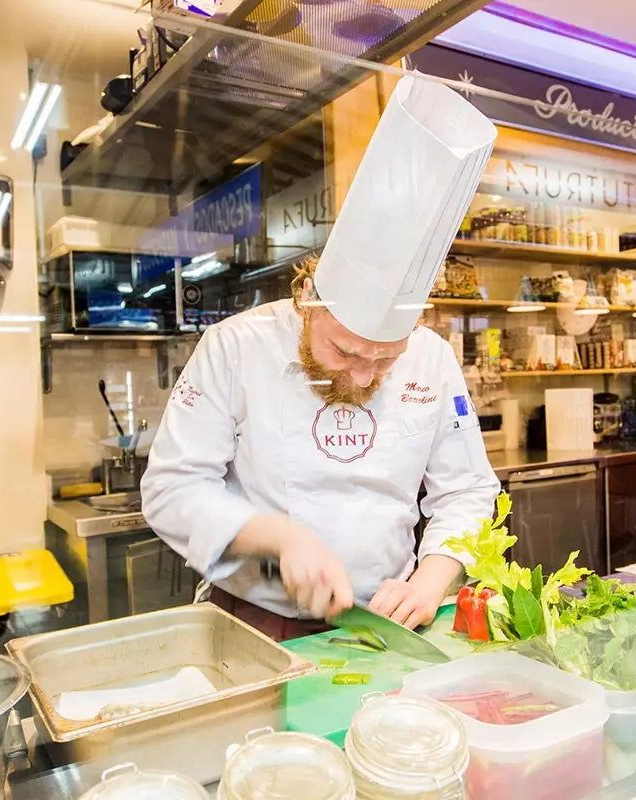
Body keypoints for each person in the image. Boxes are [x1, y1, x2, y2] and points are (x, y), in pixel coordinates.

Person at [141, 75, 500, 641]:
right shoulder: (235, 347)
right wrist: (277, 537)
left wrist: (430, 582)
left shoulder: (431, 358)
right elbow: (170, 489)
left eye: (386, 361)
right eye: (346, 350)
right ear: (307, 300)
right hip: (256, 624)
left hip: (390, 624)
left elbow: (467, 490)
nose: (362, 375)